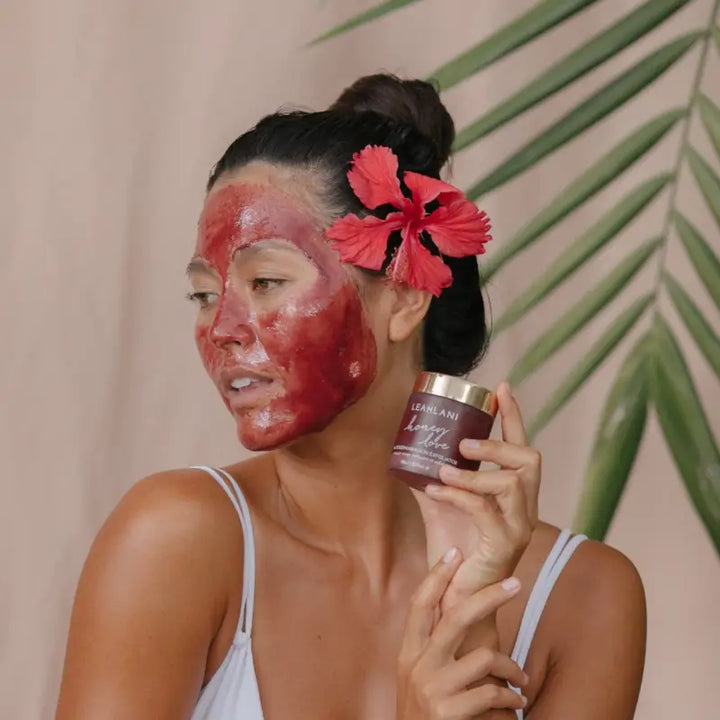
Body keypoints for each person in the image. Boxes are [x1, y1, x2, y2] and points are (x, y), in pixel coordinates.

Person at [55, 74, 646, 719]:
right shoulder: (174, 541)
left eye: (266, 281)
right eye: (204, 294)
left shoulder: (585, 598)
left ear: (405, 296)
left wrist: (470, 615)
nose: (220, 328)